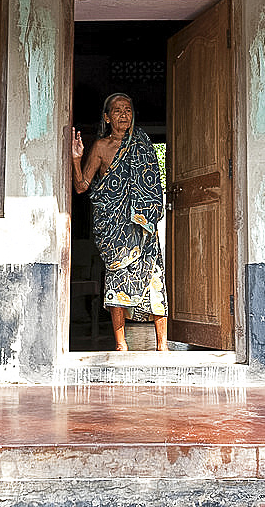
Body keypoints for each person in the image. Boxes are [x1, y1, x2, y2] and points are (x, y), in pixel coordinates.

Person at [71, 93, 168, 351]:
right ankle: (121, 344)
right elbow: (82, 187)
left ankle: (162, 345)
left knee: (153, 278)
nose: (124, 114)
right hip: (114, 229)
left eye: (128, 109)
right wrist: (76, 160)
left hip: (143, 227)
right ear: (107, 117)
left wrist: (146, 213)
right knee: (117, 277)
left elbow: (153, 184)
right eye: (117, 110)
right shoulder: (101, 147)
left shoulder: (143, 143)